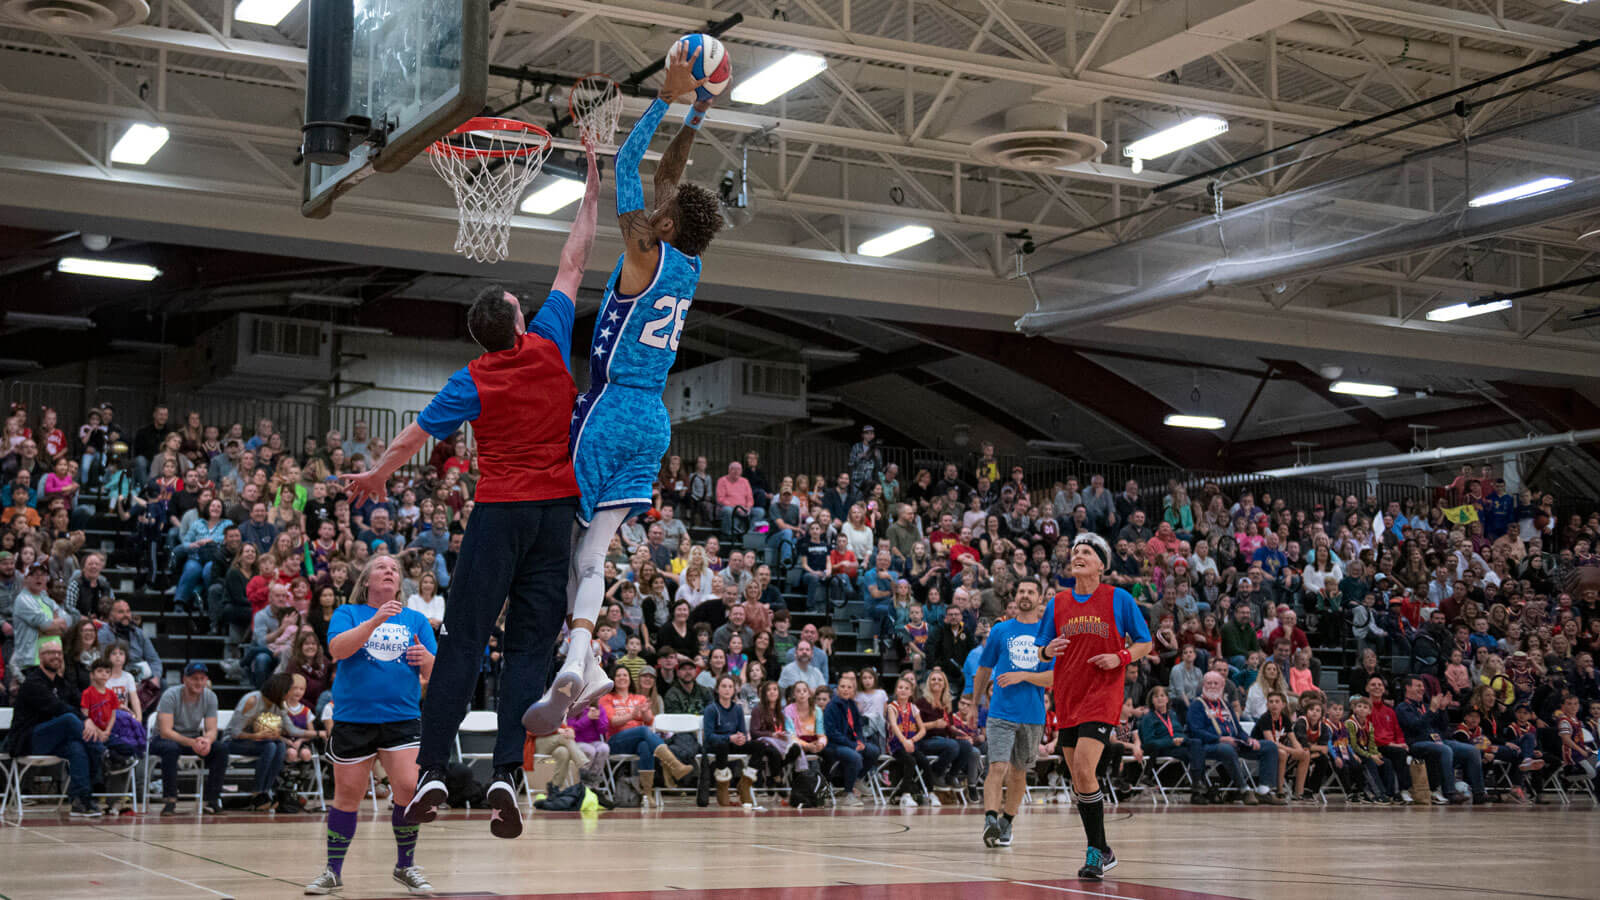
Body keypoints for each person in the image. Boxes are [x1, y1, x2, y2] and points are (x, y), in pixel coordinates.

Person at [350, 149, 599, 839]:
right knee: (527, 650)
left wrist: (376, 476)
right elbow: (574, 261)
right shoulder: (548, 343)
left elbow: (411, 437)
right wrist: (590, 190)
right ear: (521, 323)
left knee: (461, 640)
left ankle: (431, 766)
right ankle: (507, 774)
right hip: (554, 516)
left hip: (498, 513)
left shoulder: (473, 377)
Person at [523, 46, 725, 734]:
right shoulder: (688, 263)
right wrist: (697, 112)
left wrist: (668, 97)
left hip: (608, 409)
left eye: (660, 211)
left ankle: (570, 651)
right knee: (595, 551)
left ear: (663, 226)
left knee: (565, 545)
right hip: (653, 420)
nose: (656, 207)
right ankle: (584, 662)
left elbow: (629, 167)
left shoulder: (645, 248)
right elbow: (669, 175)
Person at [306, 553, 437, 895]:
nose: (389, 571)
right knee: (347, 796)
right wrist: (375, 621)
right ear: (366, 580)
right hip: (353, 719)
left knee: (408, 788)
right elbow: (338, 649)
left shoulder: (416, 619)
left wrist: (428, 660)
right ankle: (332, 871)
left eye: (394, 569)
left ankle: (405, 866)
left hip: (402, 718)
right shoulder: (348, 613)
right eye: (381, 567)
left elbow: (434, 673)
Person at [1035, 533, 1153, 880]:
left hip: (1102, 695)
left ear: (1101, 564)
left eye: (1086, 552)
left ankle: (1094, 853)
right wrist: (1046, 651)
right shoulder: (1058, 602)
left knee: (1086, 769)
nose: (1078, 556)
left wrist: (1120, 657)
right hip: (1067, 695)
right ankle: (1102, 848)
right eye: (1074, 552)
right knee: (1077, 777)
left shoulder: (1119, 599)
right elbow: (1042, 647)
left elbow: (1145, 643)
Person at [973, 574, 1050, 848]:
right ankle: (990, 820)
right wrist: (974, 705)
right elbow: (983, 669)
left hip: (1032, 715)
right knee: (997, 767)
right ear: (1015, 597)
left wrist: (1024, 676)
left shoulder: (1047, 634)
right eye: (1022, 591)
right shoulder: (1001, 631)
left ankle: (1007, 822)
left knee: (1018, 773)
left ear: (1040, 598)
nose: (1026, 595)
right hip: (1000, 711)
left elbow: (1055, 678)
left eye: (1031, 591)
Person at [7, 636, 105, 816]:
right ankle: (102, 749)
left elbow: (80, 702)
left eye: (59, 653)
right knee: (68, 719)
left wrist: (89, 718)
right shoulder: (33, 682)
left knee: (76, 748)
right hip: (29, 740)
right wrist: (85, 721)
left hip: (55, 739)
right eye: (51, 653)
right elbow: (58, 707)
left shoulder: (61, 683)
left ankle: (80, 799)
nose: (56, 656)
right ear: (40, 656)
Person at [1187, 670, 1286, 807]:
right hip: (1211, 745)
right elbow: (1196, 731)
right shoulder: (1196, 705)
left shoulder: (1225, 704)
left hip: (1235, 743)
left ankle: (1263, 791)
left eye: (1216, 683)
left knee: (1270, 746)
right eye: (1209, 683)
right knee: (1227, 749)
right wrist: (1220, 739)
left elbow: (1238, 729)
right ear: (1203, 685)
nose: (1212, 686)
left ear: (1222, 686)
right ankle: (1243, 789)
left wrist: (1248, 739)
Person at [152, 662, 230, 815]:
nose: (199, 682)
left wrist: (206, 740)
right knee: (170, 748)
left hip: (192, 737)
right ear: (185, 680)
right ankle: (170, 801)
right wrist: (193, 743)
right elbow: (165, 732)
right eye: (194, 678)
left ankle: (211, 800)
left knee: (221, 749)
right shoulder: (171, 695)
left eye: (202, 679)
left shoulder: (210, 696)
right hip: (164, 738)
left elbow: (212, 729)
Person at [702, 674, 760, 808]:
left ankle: (745, 784)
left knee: (759, 746)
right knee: (722, 745)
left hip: (732, 743)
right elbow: (709, 736)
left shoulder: (738, 709)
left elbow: (742, 731)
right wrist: (729, 738)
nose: (727, 689)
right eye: (724, 686)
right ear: (717, 689)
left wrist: (741, 738)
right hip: (716, 744)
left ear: (734, 690)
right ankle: (722, 786)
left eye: (730, 687)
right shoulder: (711, 709)